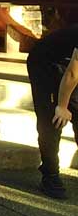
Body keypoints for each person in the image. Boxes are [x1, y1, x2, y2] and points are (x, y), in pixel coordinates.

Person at [26, 23, 78, 199]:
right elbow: (72, 74)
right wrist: (62, 106)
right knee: (53, 119)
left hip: (69, 64)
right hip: (45, 63)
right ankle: (51, 175)